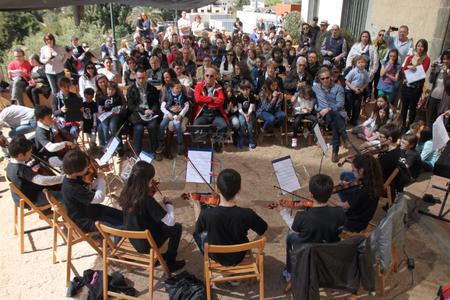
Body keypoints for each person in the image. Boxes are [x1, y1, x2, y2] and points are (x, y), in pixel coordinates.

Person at [118, 161, 185, 272]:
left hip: (134, 239)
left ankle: (162, 257)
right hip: (147, 243)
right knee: (176, 228)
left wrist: (150, 191)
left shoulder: (126, 191)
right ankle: (171, 262)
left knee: (159, 222)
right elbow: (170, 221)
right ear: (146, 181)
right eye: (151, 179)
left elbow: (142, 208)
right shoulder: (147, 200)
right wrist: (169, 204)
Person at [193, 169, 268, 266]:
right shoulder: (247, 214)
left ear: (217, 190)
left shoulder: (207, 214)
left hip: (216, 256)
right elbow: (264, 230)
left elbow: (198, 230)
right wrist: (250, 245)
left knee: (197, 233)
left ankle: (221, 272)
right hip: (239, 255)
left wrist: (196, 204)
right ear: (239, 189)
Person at [280, 174, 346, 282]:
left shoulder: (301, 216)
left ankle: (289, 272)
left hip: (307, 256)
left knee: (290, 238)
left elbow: (295, 230)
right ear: (330, 194)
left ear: (310, 194)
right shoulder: (339, 213)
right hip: (328, 255)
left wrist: (283, 211)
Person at [61, 150, 123, 233]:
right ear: (77, 170)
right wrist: (101, 179)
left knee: (124, 216)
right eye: (86, 167)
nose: (88, 168)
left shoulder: (73, 177)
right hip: (85, 221)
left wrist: (97, 180)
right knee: (122, 229)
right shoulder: (72, 188)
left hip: (92, 209)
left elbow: (88, 187)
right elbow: (99, 198)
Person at [6, 135, 64, 207]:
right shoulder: (21, 169)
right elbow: (42, 180)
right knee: (66, 194)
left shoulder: (9, 165)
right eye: (29, 152)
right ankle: (68, 215)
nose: (31, 154)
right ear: (20, 155)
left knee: (56, 187)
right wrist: (63, 178)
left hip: (19, 198)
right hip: (32, 198)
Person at [337, 154, 384, 233]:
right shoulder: (374, 181)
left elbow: (345, 206)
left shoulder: (362, 191)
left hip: (354, 223)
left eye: (354, 170)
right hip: (364, 217)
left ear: (362, 170)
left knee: (328, 216)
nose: (352, 171)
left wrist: (330, 202)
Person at [313, 68, 350, 162]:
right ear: (319, 79)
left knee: (335, 121)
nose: (325, 80)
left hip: (337, 113)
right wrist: (319, 109)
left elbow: (340, 104)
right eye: (323, 78)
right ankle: (344, 137)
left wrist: (328, 109)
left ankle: (335, 152)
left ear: (330, 77)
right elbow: (311, 101)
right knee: (336, 119)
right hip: (323, 116)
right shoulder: (316, 88)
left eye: (327, 77)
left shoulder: (338, 88)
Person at [193, 67, 229, 153]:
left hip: (215, 113)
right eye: (207, 75)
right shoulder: (198, 86)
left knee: (223, 125)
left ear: (215, 77)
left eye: (211, 76)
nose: (209, 77)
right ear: (204, 76)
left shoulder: (219, 87)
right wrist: (212, 99)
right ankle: (202, 143)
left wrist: (205, 100)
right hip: (203, 113)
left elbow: (221, 101)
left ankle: (217, 142)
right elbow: (197, 99)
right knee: (196, 125)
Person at [127, 69, 161, 155]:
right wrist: (143, 111)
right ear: (136, 78)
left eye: (143, 78)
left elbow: (156, 103)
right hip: (137, 115)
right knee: (139, 129)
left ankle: (155, 150)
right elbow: (131, 106)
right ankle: (137, 153)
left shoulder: (152, 88)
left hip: (150, 114)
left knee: (153, 127)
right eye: (139, 78)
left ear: (146, 77)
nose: (141, 80)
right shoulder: (131, 89)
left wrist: (152, 110)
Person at [400, 39, 430, 129]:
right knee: (404, 107)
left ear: (425, 48)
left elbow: (423, 71)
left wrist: (414, 67)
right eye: (418, 46)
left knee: (412, 107)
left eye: (422, 46)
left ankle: (410, 126)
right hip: (406, 85)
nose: (420, 48)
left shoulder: (426, 59)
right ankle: (402, 124)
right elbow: (403, 70)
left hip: (416, 88)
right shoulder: (410, 57)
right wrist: (411, 68)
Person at [157, 79, 189, 156]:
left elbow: (187, 106)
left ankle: (180, 144)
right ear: (171, 88)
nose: (179, 90)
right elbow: (162, 107)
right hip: (169, 114)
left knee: (178, 127)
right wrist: (168, 113)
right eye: (177, 88)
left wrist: (181, 114)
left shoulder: (183, 95)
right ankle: (161, 142)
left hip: (178, 115)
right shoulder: (168, 95)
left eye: (180, 88)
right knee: (162, 125)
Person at [97, 80, 125, 154]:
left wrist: (115, 112)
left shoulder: (117, 98)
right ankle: (107, 145)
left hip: (114, 116)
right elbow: (100, 107)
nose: (110, 91)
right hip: (105, 116)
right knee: (104, 128)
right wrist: (101, 112)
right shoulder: (103, 97)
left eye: (112, 90)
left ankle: (118, 147)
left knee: (113, 127)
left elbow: (119, 108)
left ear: (116, 90)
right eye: (109, 89)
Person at [427, 49, 450, 128]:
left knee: (439, 123)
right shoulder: (440, 69)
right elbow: (431, 80)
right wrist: (433, 69)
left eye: (447, 59)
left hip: (443, 102)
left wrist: (445, 73)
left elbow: (447, 85)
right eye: (444, 59)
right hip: (433, 97)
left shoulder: (447, 72)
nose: (445, 61)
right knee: (429, 121)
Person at [345, 55, 370, 125]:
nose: (361, 64)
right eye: (359, 62)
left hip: (359, 91)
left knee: (357, 106)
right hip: (350, 91)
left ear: (365, 63)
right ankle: (347, 118)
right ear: (356, 64)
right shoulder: (353, 71)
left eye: (363, 62)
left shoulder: (365, 73)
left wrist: (362, 88)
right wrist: (353, 88)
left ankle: (354, 120)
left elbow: (366, 82)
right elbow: (347, 81)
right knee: (348, 105)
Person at [237, 80, 257, 149]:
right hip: (242, 113)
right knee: (242, 123)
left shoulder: (252, 97)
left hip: (250, 113)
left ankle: (250, 139)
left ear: (249, 89)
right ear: (241, 90)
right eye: (243, 90)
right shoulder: (239, 97)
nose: (245, 91)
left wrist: (248, 115)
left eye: (247, 89)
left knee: (249, 124)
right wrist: (245, 115)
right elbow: (239, 108)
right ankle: (241, 138)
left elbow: (251, 108)